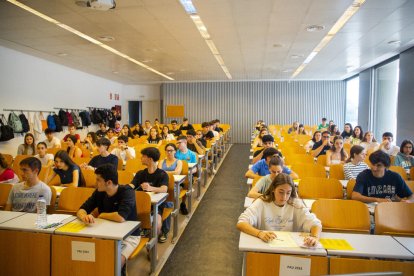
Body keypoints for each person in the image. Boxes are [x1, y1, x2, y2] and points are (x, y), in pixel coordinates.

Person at [76, 164, 139, 273]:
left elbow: (121, 217)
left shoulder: (127, 191)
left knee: (114, 263)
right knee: (86, 256)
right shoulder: (99, 192)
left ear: (109, 182)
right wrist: (84, 216)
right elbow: (81, 210)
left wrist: (102, 215)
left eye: (98, 180)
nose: (95, 183)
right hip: (104, 233)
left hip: (129, 236)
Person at [237, 173, 322, 246]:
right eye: (281, 192)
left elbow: (315, 223)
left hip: (290, 248)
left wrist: (314, 237)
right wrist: (259, 233)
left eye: (288, 193)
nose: (284, 197)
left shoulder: (296, 204)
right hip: (265, 246)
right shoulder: (262, 202)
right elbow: (241, 223)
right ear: (273, 189)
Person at [130, 147, 170, 242]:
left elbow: (164, 189)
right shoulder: (140, 173)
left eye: (143, 156)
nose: (141, 158)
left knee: (157, 225)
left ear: (150, 159)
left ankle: (152, 245)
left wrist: (150, 188)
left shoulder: (162, 174)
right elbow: (132, 185)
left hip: (157, 205)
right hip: (141, 204)